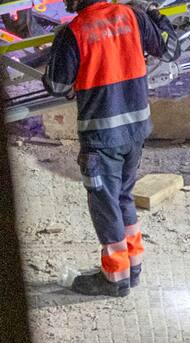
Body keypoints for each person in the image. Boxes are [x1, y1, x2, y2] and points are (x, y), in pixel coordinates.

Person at [42, 0, 179, 297]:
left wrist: (58, 50)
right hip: (135, 131)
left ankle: (115, 278)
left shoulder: (74, 32)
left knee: (105, 207)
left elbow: (55, 84)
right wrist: (154, 13)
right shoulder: (133, 16)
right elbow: (170, 50)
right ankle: (133, 266)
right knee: (123, 198)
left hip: (101, 138)